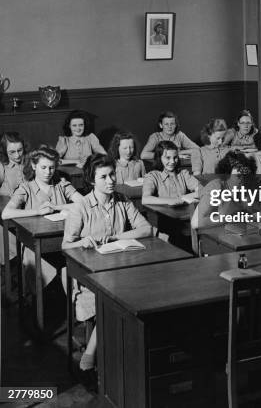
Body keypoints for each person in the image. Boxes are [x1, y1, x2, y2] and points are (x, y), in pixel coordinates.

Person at [62, 154, 152, 372]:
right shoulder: (80, 206)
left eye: (112, 174)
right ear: (92, 180)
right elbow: (65, 245)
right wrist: (83, 241)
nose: (111, 180)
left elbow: (146, 228)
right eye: (104, 177)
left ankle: (131, 353)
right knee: (113, 299)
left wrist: (114, 238)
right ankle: (92, 352)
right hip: (91, 274)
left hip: (120, 269)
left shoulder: (122, 200)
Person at [2, 145, 84, 291]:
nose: (48, 172)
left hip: (63, 239)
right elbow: (6, 213)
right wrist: (37, 211)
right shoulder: (25, 188)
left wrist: (58, 207)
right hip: (35, 245)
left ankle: (75, 303)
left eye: (52, 168)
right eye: (43, 167)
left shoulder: (61, 184)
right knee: (39, 268)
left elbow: (84, 203)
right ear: (34, 166)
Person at [191, 151, 258, 253]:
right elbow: (196, 223)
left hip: (237, 237)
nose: (242, 180)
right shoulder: (216, 187)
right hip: (214, 242)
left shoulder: (244, 189)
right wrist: (230, 217)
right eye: (238, 176)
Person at [0, 132, 27, 264]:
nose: (17, 155)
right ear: (5, 152)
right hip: (10, 212)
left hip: (29, 209)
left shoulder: (30, 162)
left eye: (20, 150)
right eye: (12, 152)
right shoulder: (2, 166)